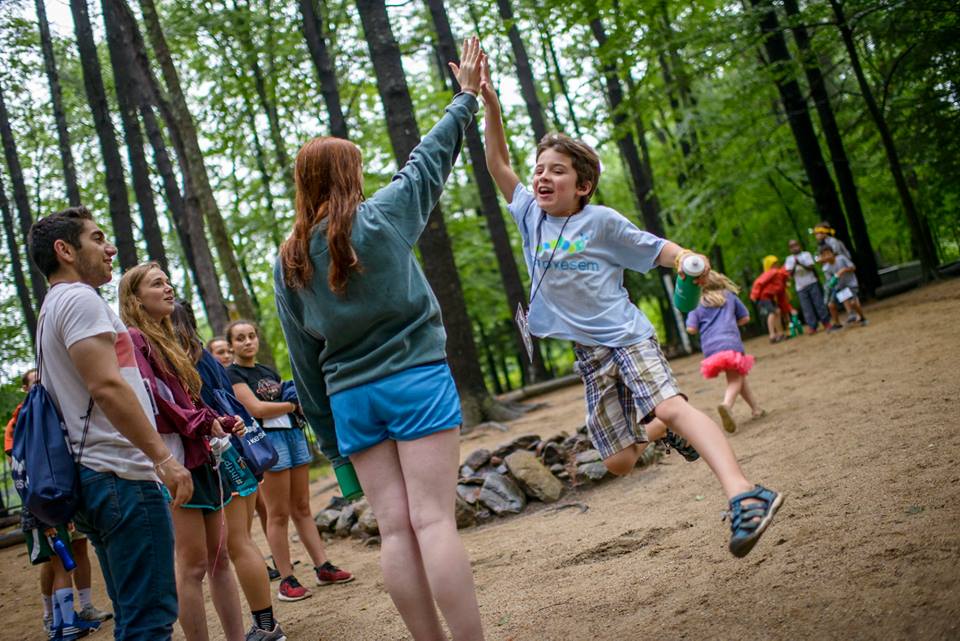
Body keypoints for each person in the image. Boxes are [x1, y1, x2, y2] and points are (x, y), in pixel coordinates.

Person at [481, 58, 781, 558]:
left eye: (558, 170)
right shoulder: (528, 213)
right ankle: (665, 428)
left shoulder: (601, 222)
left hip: (626, 334)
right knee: (619, 460)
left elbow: (658, 248)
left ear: (582, 185)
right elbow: (497, 163)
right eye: (539, 169)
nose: (542, 176)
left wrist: (686, 258)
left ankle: (745, 493)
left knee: (669, 404)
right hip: (589, 351)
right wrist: (490, 106)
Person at [273, 37, 486, 641]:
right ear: (350, 173)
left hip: (350, 401)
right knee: (433, 522)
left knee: (395, 530)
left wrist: (330, 440)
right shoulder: (387, 214)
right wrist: (465, 96)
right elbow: (431, 155)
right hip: (416, 380)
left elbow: (302, 359)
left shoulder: (288, 258)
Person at [27, 206, 191, 640]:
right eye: (97, 238)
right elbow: (107, 386)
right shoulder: (80, 299)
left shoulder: (52, 307)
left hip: (97, 478)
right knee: (149, 622)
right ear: (65, 250)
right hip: (122, 475)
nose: (110, 247)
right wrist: (163, 459)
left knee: (132, 614)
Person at [118, 263, 247, 641]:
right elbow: (155, 399)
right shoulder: (133, 339)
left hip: (203, 455)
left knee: (220, 559)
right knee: (192, 566)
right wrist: (202, 424)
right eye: (157, 284)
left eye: (168, 280)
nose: (169, 288)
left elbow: (187, 399)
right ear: (135, 298)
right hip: (175, 460)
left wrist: (218, 420)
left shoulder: (171, 340)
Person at [170, 303, 286, 641]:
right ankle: (266, 624)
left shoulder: (184, 362)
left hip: (221, 457)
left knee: (236, 544)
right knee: (242, 542)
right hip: (242, 454)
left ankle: (266, 628)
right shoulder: (208, 358)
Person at [226, 320, 353, 603]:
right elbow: (256, 408)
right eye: (240, 338)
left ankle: (323, 567)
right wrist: (292, 405)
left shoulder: (267, 371)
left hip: (294, 436)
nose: (247, 342)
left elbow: (276, 400)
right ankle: (287, 579)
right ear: (232, 344)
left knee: (303, 507)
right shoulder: (232, 373)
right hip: (267, 442)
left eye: (251, 336)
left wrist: (289, 407)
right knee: (278, 513)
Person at [7, 372, 112, 639]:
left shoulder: (58, 406)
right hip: (45, 505)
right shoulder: (24, 417)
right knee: (56, 561)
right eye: (33, 381)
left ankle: (82, 610)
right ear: (25, 388)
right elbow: (22, 466)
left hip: (69, 499)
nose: (40, 384)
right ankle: (55, 618)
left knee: (76, 550)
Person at [686, 272, 764, 434]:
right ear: (719, 281)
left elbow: (691, 329)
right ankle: (727, 405)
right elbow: (745, 318)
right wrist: (729, 322)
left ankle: (756, 409)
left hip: (710, 348)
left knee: (738, 376)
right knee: (735, 378)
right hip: (730, 342)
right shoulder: (729, 296)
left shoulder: (696, 303)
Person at [784, 239, 832, 333]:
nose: (794, 248)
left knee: (819, 304)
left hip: (812, 282)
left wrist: (800, 264)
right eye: (792, 246)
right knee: (807, 308)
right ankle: (812, 326)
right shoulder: (789, 259)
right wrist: (795, 265)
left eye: (796, 245)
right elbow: (790, 274)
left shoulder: (806, 254)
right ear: (790, 249)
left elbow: (811, 267)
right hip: (800, 287)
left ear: (799, 246)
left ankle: (826, 322)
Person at [819, 245, 867, 327]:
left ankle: (862, 317)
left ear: (832, 253)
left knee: (853, 302)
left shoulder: (841, 258)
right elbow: (830, 282)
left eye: (828, 253)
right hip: (839, 287)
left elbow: (853, 268)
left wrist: (844, 270)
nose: (827, 256)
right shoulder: (825, 268)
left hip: (851, 283)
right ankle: (838, 324)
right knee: (831, 304)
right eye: (824, 255)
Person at [750, 255, 792, 343]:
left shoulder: (779, 274)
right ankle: (772, 335)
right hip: (764, 297)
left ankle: (780, 333)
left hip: (770, 297)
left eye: (777, 263)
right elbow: (759, 282)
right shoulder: (772, 272)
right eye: (774, 264)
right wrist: (754, 295)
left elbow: (780, 287)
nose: (776, 265)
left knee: (778, 312)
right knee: (772, 313)